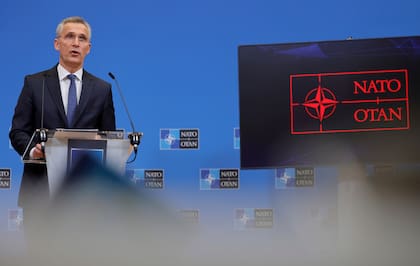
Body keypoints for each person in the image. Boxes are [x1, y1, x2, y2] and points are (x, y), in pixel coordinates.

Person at [9, 16, 116, 213]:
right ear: (57, 44)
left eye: (82, 38)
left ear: (89, 48)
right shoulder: (34, 83)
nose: (76, 43)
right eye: (70, 36)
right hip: (40, 193)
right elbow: (17, 132)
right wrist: (34, 151)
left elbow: (109, 138)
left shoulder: (103, 89)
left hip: (86, 196)